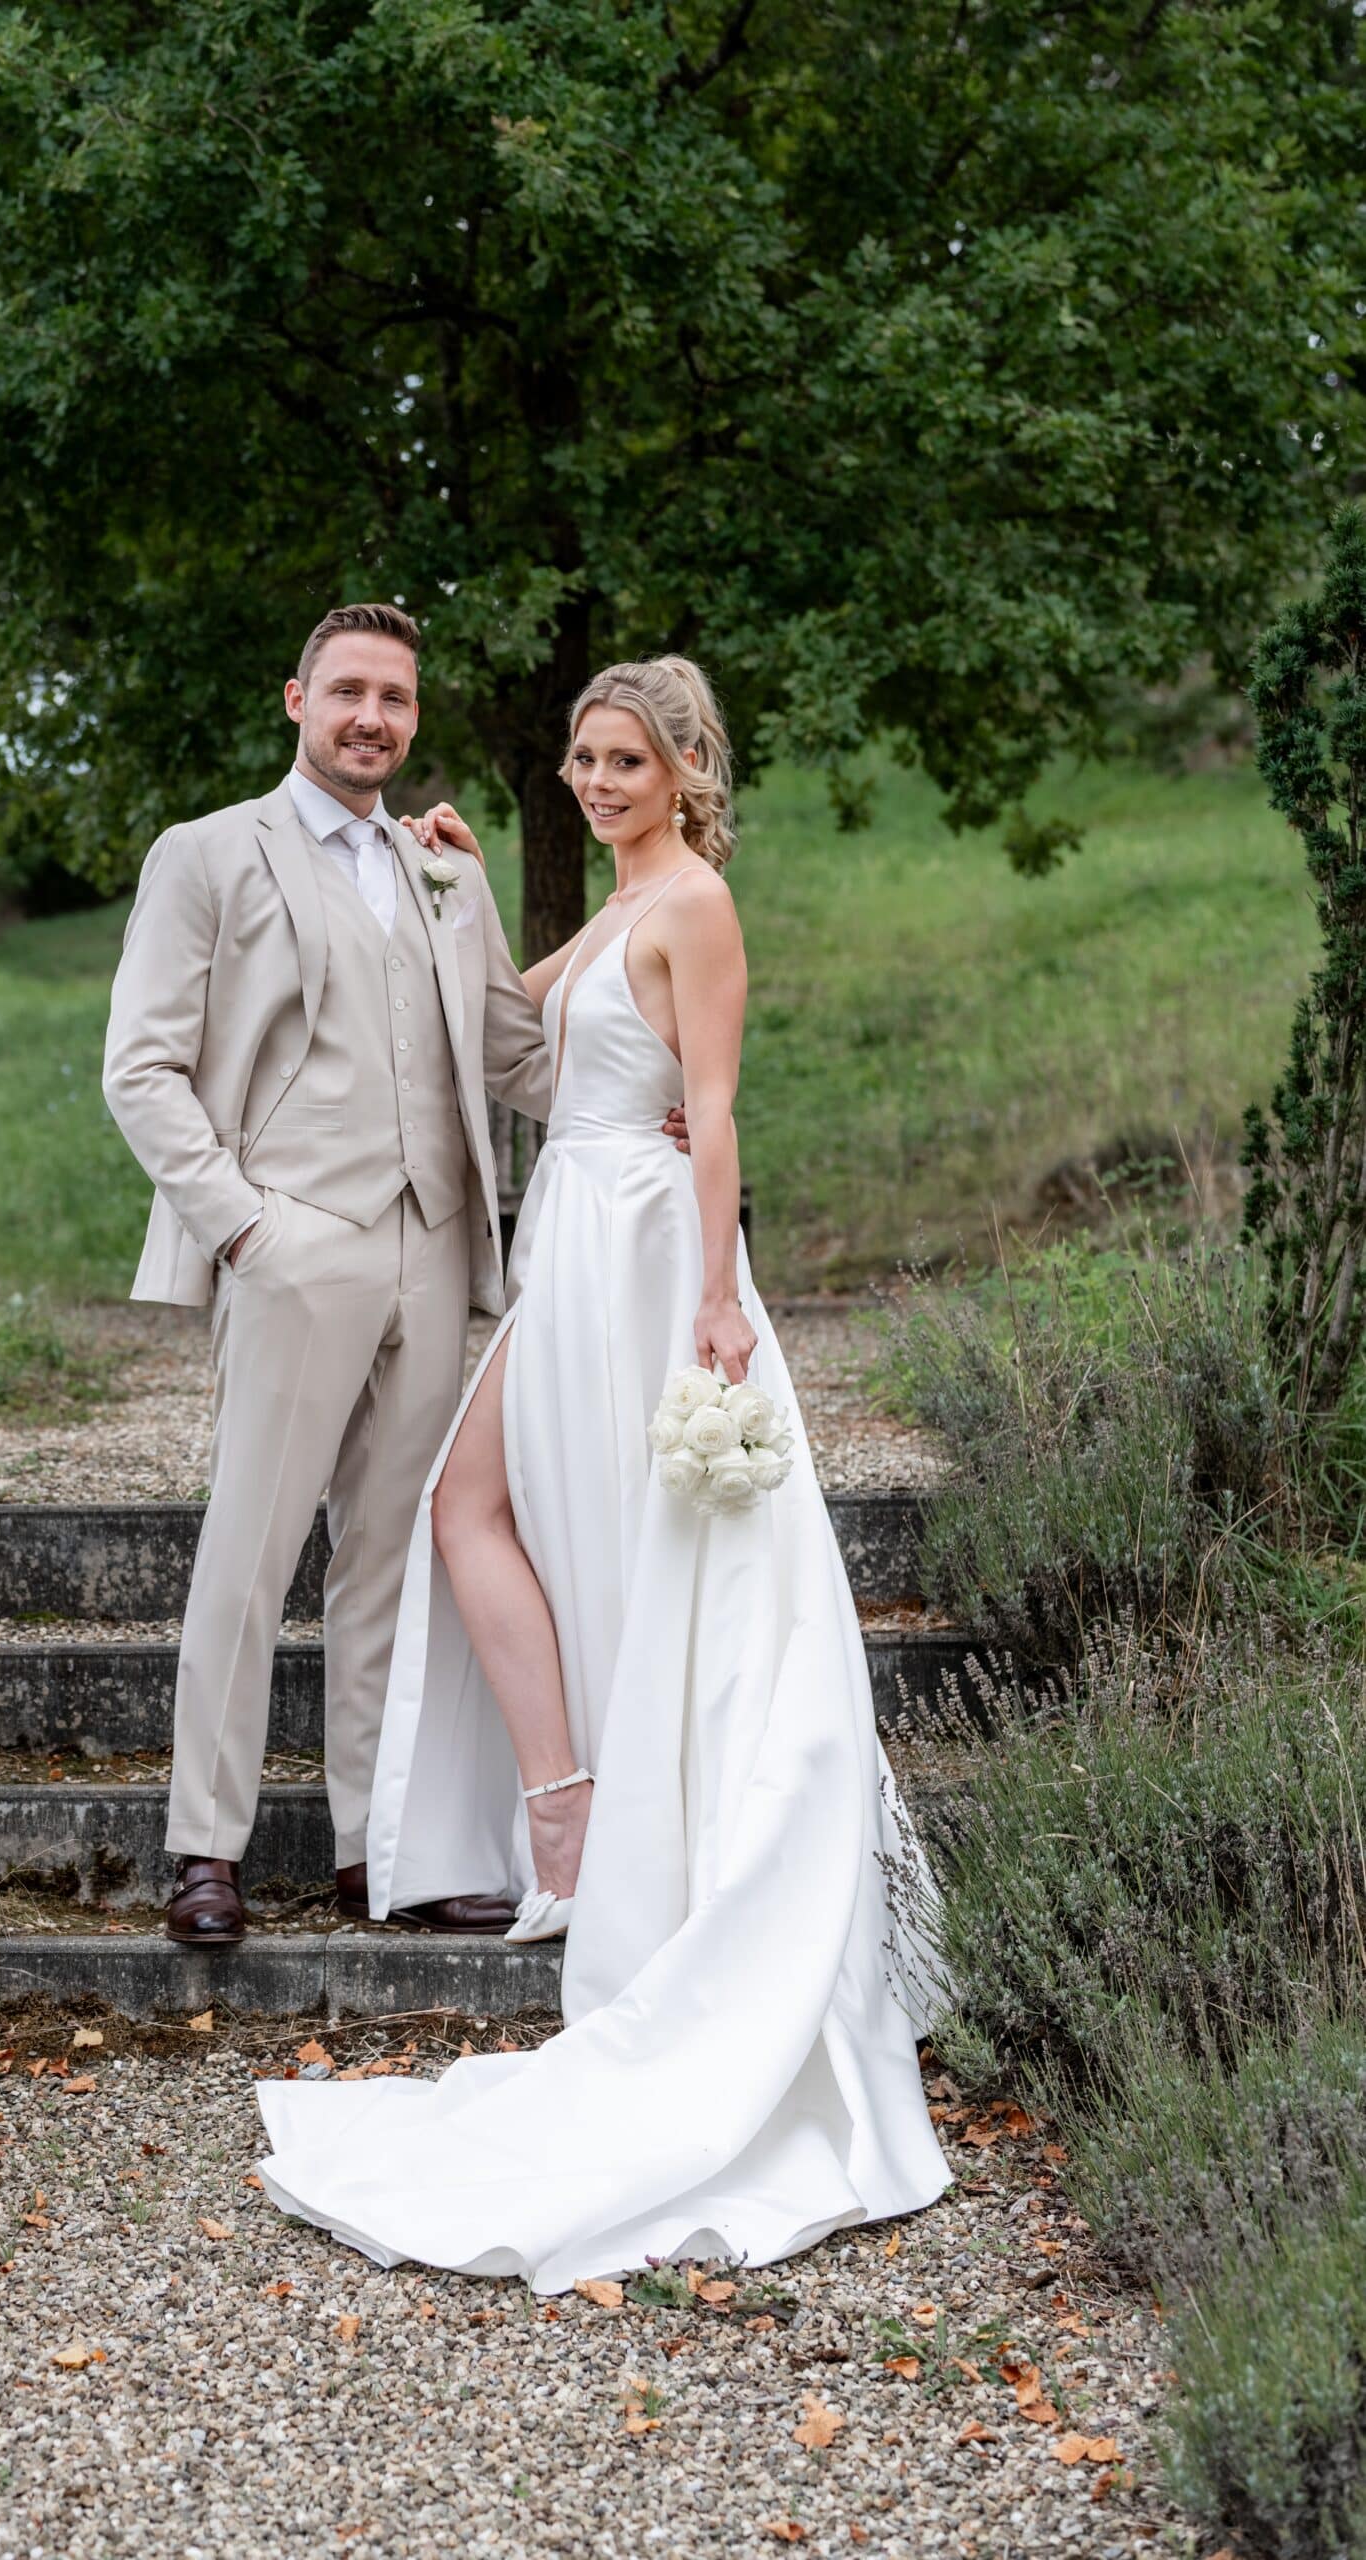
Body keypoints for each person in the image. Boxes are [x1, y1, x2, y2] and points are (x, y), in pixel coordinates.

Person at [256, 656, 951, 2291]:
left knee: (633, 1541)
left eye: (624, 759)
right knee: (471, 1508)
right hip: (568, 1240)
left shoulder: (694, 905)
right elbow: (516, 1039)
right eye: (581, 756)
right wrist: (465, 887)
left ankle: (614, 1843)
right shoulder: (617, 905)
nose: (593, 778)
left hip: (643, 1253)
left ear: (685, 770)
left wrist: (719, 1295)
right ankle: (567, 1817)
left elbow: (711, 1109)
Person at [103, 603, 564, 1942]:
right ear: (297, 699)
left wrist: (659, 1087)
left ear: (415, 719)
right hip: (293, 1243)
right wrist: (245, 1228)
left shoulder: (445, 871)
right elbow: (141, 1065)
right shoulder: (207, 853)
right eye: (350, 690)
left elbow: (513, 1053)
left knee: (391, 1561)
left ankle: (380, 1853)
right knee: (250, 1550)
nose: (374, 716)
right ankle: (207, 1850)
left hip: (434, 1249)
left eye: (396, 698)